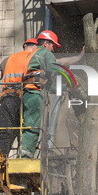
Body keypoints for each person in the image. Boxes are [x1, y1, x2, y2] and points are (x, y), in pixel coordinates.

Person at [0, 38, 38, 156]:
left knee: (4, 133)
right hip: (24, 100)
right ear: (34, 48)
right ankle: (23, 162)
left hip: (7, 99)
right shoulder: (34, 58)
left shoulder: (9, 59)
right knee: (25, 132)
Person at [20, 30, 62, 158]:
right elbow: (54, 69)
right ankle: (26, 157)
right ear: (46, 44)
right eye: (53, 45)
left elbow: (48, 85)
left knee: (29, 124)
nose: (53, 49)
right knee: (33, 125)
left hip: (27, 92)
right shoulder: (45, 53)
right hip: (34, 92)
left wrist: (65, 88)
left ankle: (25, 153)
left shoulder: (31, 54)